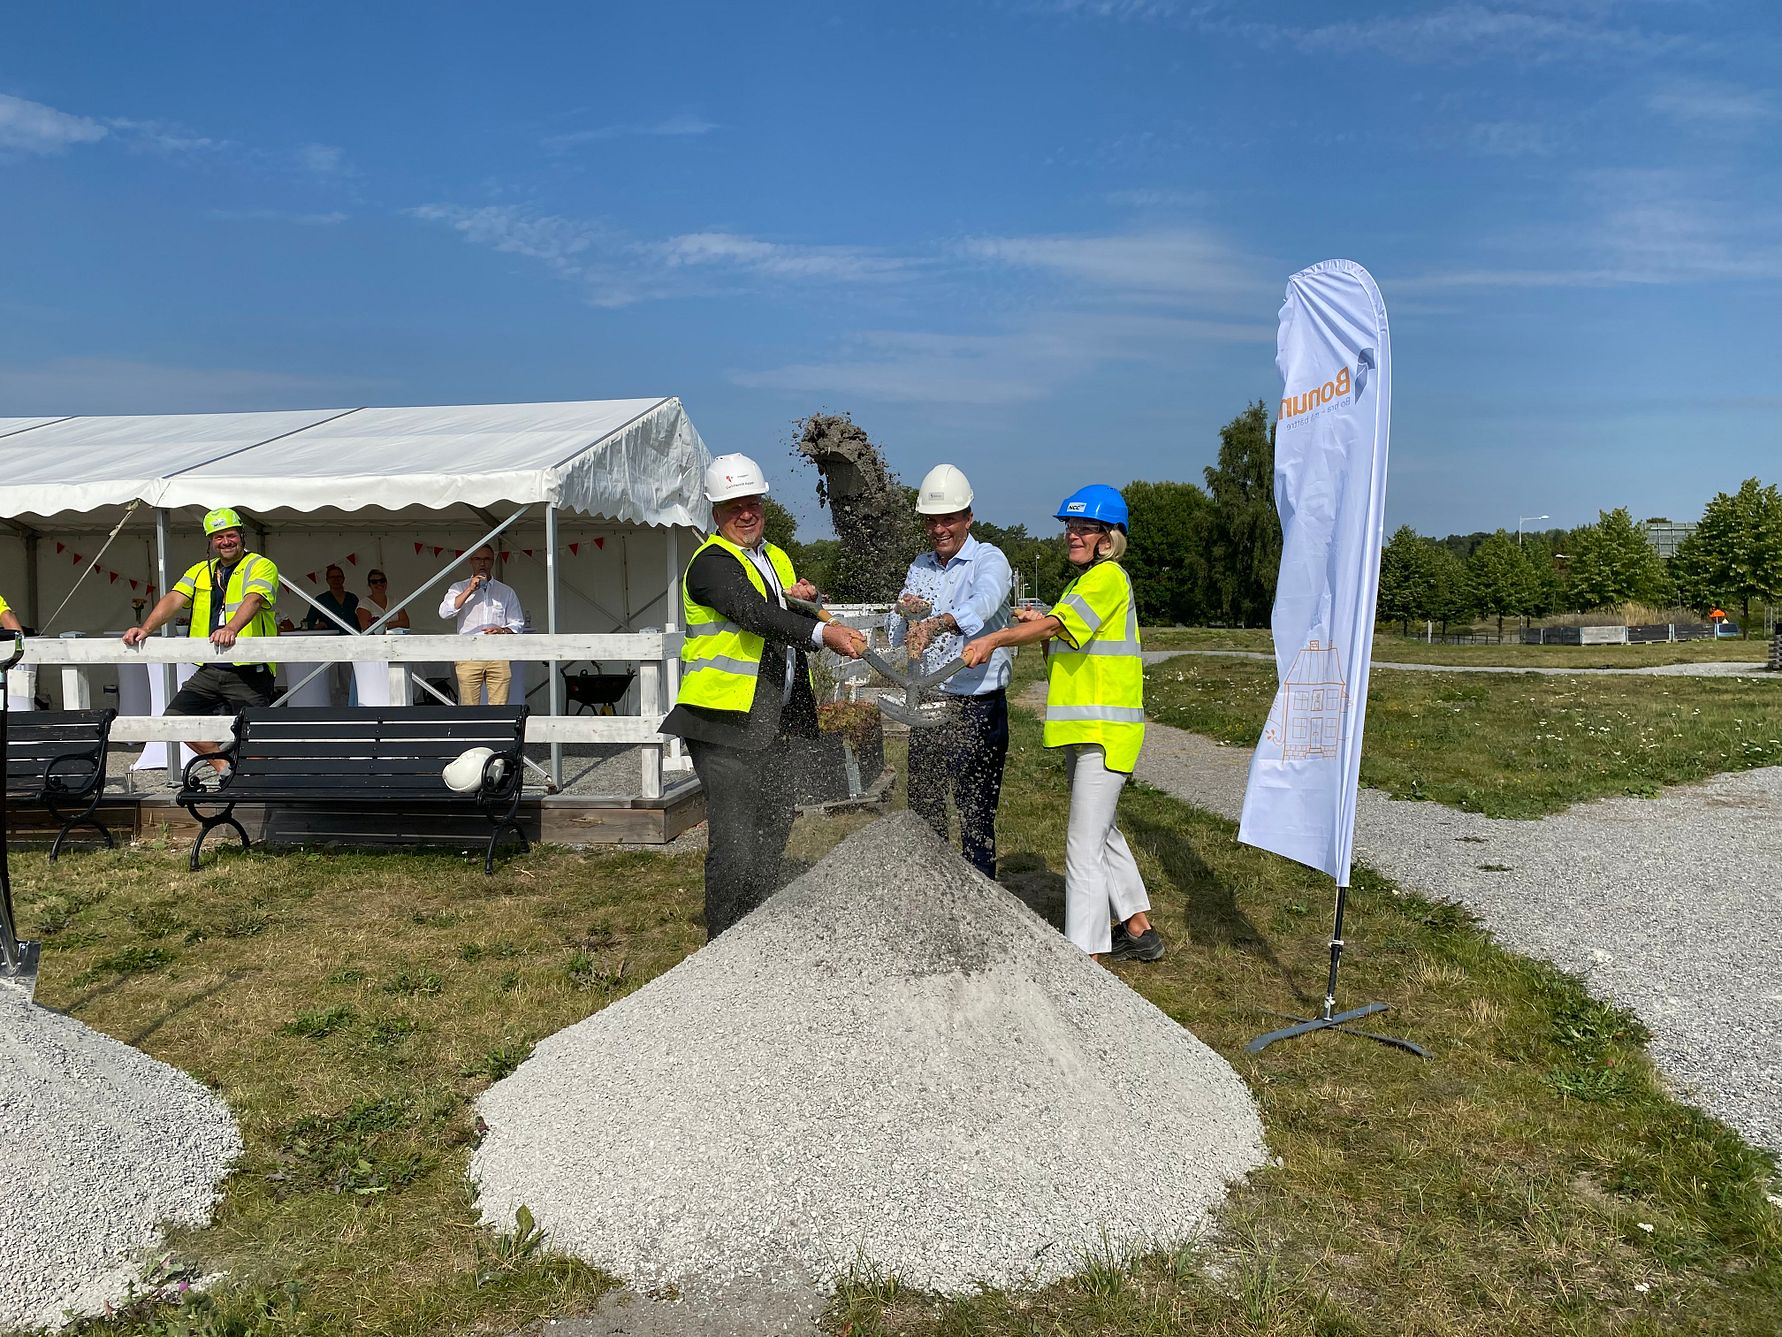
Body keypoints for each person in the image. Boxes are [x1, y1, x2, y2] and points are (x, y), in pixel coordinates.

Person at [661, 453, 867, 939]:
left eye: (752, 501)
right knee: (734, 840)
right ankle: (723, 944)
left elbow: (781, 605)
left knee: (774, 824)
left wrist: (806, 600)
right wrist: (822, 636)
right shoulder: (710, 565)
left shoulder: (774, 556)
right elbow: (754, 614)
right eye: (734, 505)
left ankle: (756, 925)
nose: (746, 512)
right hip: (722, 720)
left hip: (774, 718)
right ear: (716, 512)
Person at [962, 485, 1161, 962]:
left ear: (1108, 538)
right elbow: (1062, 636)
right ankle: (1139, 927)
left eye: (1083, 528)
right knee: (1103, 831)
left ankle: (1084, 957)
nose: (1072, 535)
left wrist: (998, 639)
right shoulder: (1083, 583)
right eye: (1069, 527)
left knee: (1082, 846)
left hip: (1104, 731)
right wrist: (1042, 620)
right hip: (1087, 729)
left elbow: (1055, 629)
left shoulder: (1107, 578)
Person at [887, 463, 1013, 879]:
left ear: (968, 518)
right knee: (925, 809)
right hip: (931, 702)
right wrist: (905, 615)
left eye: (949, 519)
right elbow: (896, 631)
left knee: (975, 814)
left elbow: (984, 604)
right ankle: (933, 895)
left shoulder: (988, 560)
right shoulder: (920, 566)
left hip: (977, 706)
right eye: (932, 521)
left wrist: (937, 622)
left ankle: (982, 902)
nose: (940, 528)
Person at [120, 507, 280, 777]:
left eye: (230, 535)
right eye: (218, 537)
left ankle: (258, 785)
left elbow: (253, 599)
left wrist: (231, 627)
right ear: (210, 541)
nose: (225, 542)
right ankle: (225, 768)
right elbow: (174, 599)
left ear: (242, 536)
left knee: (253, 734)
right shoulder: (200, 571)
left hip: (250, 668)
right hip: (212, 667)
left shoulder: (261, 565)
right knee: (175, 719)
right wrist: (145, 628)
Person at [438, 545, 524, 705]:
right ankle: (471, 730)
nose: (482, 563)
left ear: (493, 561)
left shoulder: (506, 592)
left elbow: (518, 624)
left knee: (499, 707)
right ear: (471, 561)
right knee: (468, 708)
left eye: (486, 559)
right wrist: (469, 590)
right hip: (468, 654)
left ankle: (497, 730)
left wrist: (503, 631)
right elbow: (444, 613)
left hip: (498, 654)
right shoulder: (458, 587)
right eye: (478, 559)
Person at [304, 565, 360, 631]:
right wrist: (316, 626)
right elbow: (308, 622)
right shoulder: (321, 600)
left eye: (338, 577)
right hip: (330, 638)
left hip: (353, 637)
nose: (336, 579)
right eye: (332, 577)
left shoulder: (352, 598)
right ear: (327, 580)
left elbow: (359, 619)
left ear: (343, 579)